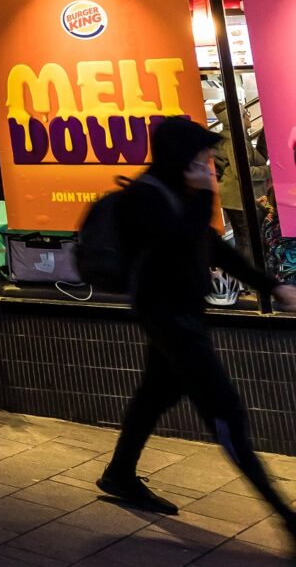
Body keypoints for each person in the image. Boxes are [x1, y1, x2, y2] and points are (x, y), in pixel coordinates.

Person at [97, 119, 296, 541]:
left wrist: (274, 286)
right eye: (202, 158)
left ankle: (119, 473)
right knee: (226, 412)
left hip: (182, 315)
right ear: (180, 158)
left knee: (154, 395)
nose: (210, 165)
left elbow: (214, 247)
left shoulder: (172, 193)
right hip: (170, 320)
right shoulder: (146, 199)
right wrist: (205, 197)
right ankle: (287, 518)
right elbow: (183, 243)